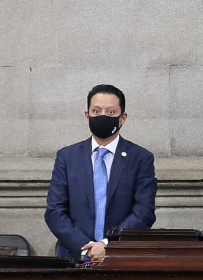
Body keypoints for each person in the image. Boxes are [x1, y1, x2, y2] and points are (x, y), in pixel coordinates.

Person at [44, 85, 157, 263]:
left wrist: (108, 245)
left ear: (122, 118)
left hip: (121, 258)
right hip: (73, 257)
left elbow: (144, 212)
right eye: (96, 111)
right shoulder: (67, 157)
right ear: (87, 115)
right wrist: (86, 249)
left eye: (110, 112)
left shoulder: (140, 158)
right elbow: (55, 211)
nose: (102, 116)